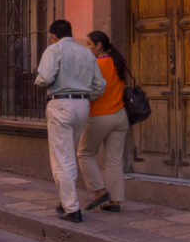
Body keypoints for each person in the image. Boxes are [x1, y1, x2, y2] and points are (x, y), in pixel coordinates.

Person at [33, 19, 106, 222]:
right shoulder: (85, 52)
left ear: (54, 36)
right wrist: (86, 97)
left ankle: (71, 208)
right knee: (69, 155)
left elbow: (45, 78)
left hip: (61, 104)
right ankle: (67, 198)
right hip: (82, 105)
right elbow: (99, 84)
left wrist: (38, 79)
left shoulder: (53, 50)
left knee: (61, 159)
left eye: (51, 37)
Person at [79, 31, 129, 213]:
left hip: (100, 115)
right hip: (121, 116)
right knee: (114, 160)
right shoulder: (117, 61)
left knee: (85, 153)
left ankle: (100, 191)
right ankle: (115, 201)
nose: (88, 48)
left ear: (99, 45)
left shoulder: (96, 64)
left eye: (90, 44)